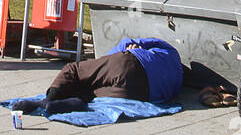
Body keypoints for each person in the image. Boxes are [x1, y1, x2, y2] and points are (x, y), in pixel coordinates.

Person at [42, 37, 183, 111]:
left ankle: (48, 100)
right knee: (93, 93)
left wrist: (106, 59)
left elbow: (127, 42)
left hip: (130, 62)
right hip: (139, 93)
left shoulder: (169, 50)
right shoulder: (176, 84)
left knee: (74, 70)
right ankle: (79, 102)